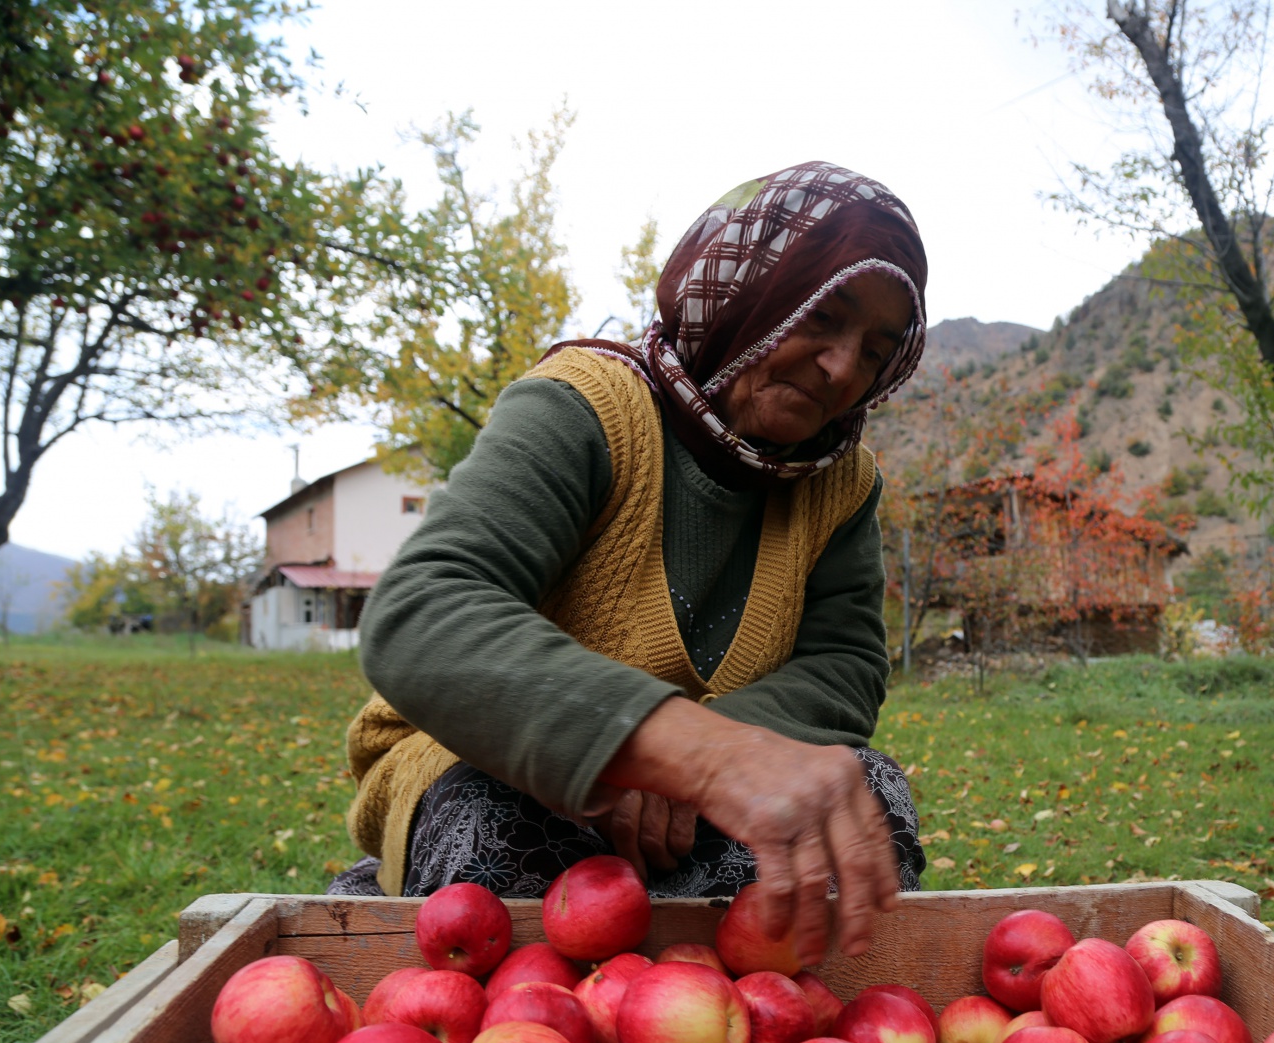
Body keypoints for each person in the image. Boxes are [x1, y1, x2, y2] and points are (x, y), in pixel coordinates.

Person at [327, 162, 928, 964]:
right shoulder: (586, 406)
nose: (844, 368)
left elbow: (844, 666)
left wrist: (698, 758)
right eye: (825, 316)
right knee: (495, 833)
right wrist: (673, 751)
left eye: (876, 350)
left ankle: (695, 992)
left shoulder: (840, 484)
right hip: (497, 759)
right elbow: (425, 614)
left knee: (864, 798)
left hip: (706, 786)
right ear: (744, 291)